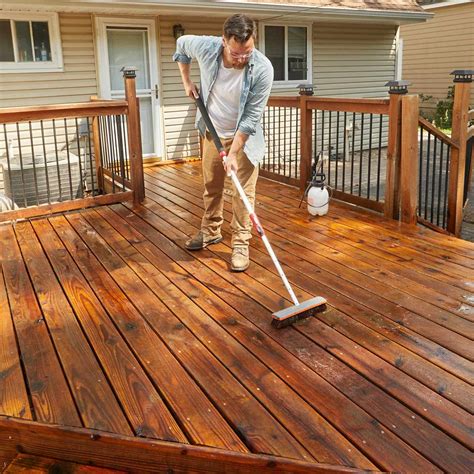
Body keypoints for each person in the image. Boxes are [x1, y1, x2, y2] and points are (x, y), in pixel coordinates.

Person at [173, 14, 273, 272]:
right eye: (236, 53)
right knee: (212, 185)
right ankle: (211, 230)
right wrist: (186, 81)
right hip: (211, 131)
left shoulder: (262, 68)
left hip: (244, 139)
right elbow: (181, 44)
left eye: (247, 52)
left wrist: (233, 153)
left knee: (242, 194)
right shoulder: (207, 47)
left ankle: (240, 242)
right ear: (223, 42)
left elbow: (250, 119)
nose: (242, 59)